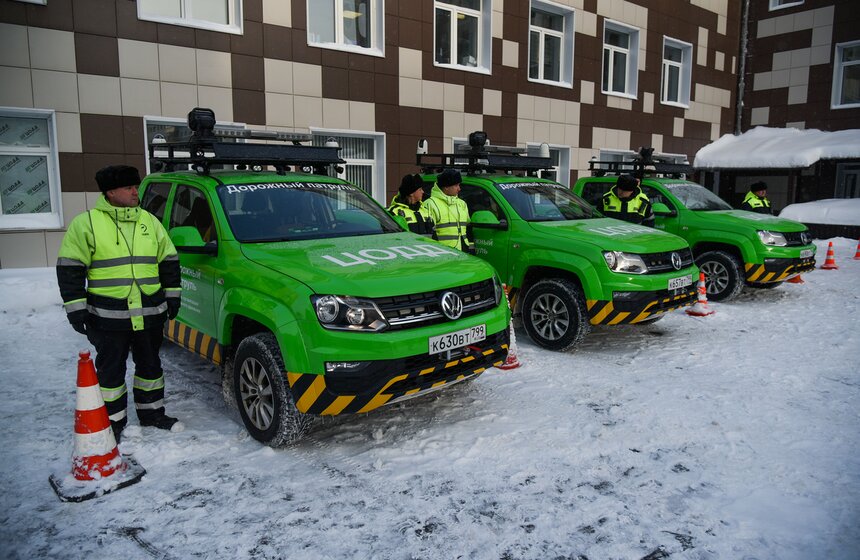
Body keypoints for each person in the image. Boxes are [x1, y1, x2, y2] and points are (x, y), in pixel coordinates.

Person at [56, 165, 183, 443]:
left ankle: (152, 414)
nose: (136, 192)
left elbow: (169, 261)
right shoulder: (86, 223)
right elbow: (70, 268)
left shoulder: (149, 222)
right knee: (111, 371)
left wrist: (172, 296)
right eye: (129, 188)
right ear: (110, 192)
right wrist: (76, 309)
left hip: (149, 314)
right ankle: (113, 421)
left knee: (150, 367)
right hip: (107, 317)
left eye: (136, 187)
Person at [423, 168, 473, 252]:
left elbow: (467, 228)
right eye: (456, 185)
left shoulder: (462, 204)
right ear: (446, 187)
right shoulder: (430, 204)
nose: (459, 189)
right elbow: (428, 235)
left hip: (463, 252)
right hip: (443, 253)